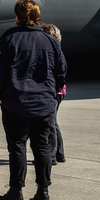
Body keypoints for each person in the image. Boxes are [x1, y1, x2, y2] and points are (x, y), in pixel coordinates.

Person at [0, 0, 66, 200]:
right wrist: (52, 93)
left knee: (17, 147)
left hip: (17, 103)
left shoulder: (10, 39)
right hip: (44, 104)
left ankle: (16, 191)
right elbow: (62, 71)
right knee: (42, 146)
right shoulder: (50, 40)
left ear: (17, 16)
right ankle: (43, 191)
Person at [42, 23, 66, 164]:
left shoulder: (53, 52)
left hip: (55, 91)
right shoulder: (57, 51)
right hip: (58, 90)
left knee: (50, 123)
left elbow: (60, 73)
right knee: (54, 122)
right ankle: (59, 153)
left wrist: (53, 89)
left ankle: (51, 155)